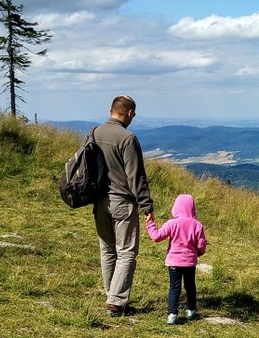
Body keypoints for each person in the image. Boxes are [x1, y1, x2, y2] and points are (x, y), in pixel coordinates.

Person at [93, 95, 155, 316]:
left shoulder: (94, 133)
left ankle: (112, 296)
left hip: (100, 202)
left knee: (107, 251)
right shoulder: (128, 138)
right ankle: (116, 302)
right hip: (123, 203)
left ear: (111, 109)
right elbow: (135, 176)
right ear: (129, 113)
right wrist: (147, 206)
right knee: (127, 252)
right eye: (134, 115)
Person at [146, 194, 207, 324]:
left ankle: (172, 314)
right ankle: (191, 310)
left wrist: (150, 223)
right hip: (190, 262)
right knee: (190, 286)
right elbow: (201, 245)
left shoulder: (172, 223)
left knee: (174, 287)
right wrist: (198, 253)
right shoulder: (197, 225)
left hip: (174, 262)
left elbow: (156, 237)